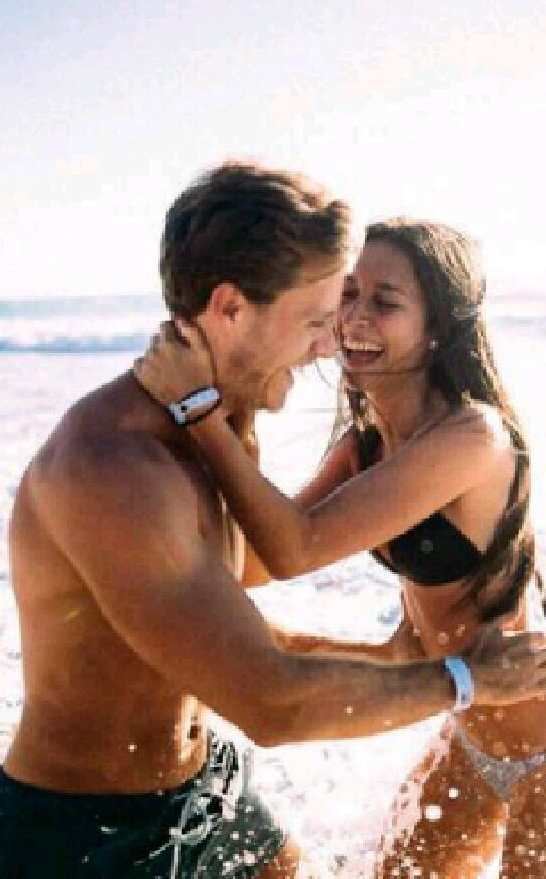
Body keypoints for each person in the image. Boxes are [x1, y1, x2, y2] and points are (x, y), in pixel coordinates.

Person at [0, 163, 546, 879]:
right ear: (230, 308)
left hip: (209, 790)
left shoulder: (218, 431)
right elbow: (270, 698)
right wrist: (460, 678)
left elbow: (230, 601)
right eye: (319, 317)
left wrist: (391, 659)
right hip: (87, 837)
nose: (330, 342)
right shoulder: (114, 470)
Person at [133, 217, 545, 877]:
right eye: (347, 295)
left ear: (438, 326)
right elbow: (254, 563)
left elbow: (296, 549)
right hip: (473, 737)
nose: (355, 319)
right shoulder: (367, 446)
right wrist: (237, 415)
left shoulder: (473, 438)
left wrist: (202, 412)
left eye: (385, 302)